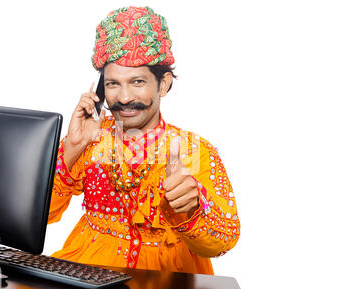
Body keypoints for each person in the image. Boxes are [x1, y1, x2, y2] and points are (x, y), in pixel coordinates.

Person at [48, 6, 240, 275]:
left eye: (137, 81)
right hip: (88, 274)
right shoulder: (89, 139)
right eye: (113, 84)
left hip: (170, 283)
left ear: (163, 84)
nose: (124, 97)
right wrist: (71, 148)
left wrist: (194, 207)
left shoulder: (194, 150)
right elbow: (40, 216)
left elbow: (224, 240)